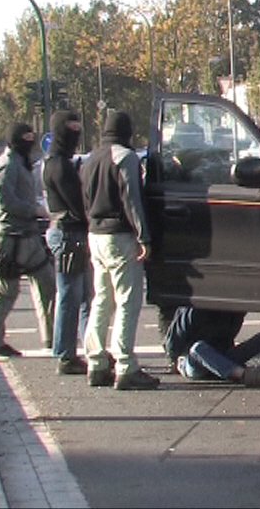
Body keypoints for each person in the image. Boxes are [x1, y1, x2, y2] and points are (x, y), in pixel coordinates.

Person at [80, 111, 158, 390]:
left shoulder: (90, 159)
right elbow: (132, 200)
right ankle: (125, 365)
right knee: (128, 300)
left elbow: (85, 200)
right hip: (120, 236)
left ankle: (96, 362)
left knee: (102, 299)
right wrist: (143, 236)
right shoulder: (125, 158)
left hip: (95, 235)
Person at [0, 124, 56, 359]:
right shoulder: (5, 167)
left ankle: (52, 338)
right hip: (9, 240)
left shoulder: (22, 164)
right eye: (26, 139)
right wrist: (35, 210)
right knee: (5, 293)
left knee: (48, 286)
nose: (30, 143)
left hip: (29, 237)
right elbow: (6, 203)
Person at [42, 110, 92, 375]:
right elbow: (77, 203)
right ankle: (65, 353)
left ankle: (87, 349)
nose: (76, 133)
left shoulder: (56, 162)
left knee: (82, 296)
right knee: (71, 296)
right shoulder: (59, 166)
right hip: (69, 234)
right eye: (71, 128)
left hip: (68, 233)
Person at [164, 307, 260, 387]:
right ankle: (247, 375)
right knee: (198, 348)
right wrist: (174, 360)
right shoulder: (194, 309)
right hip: (195, 361)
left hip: (223, 355)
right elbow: (172, 343)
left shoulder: (235, 310)